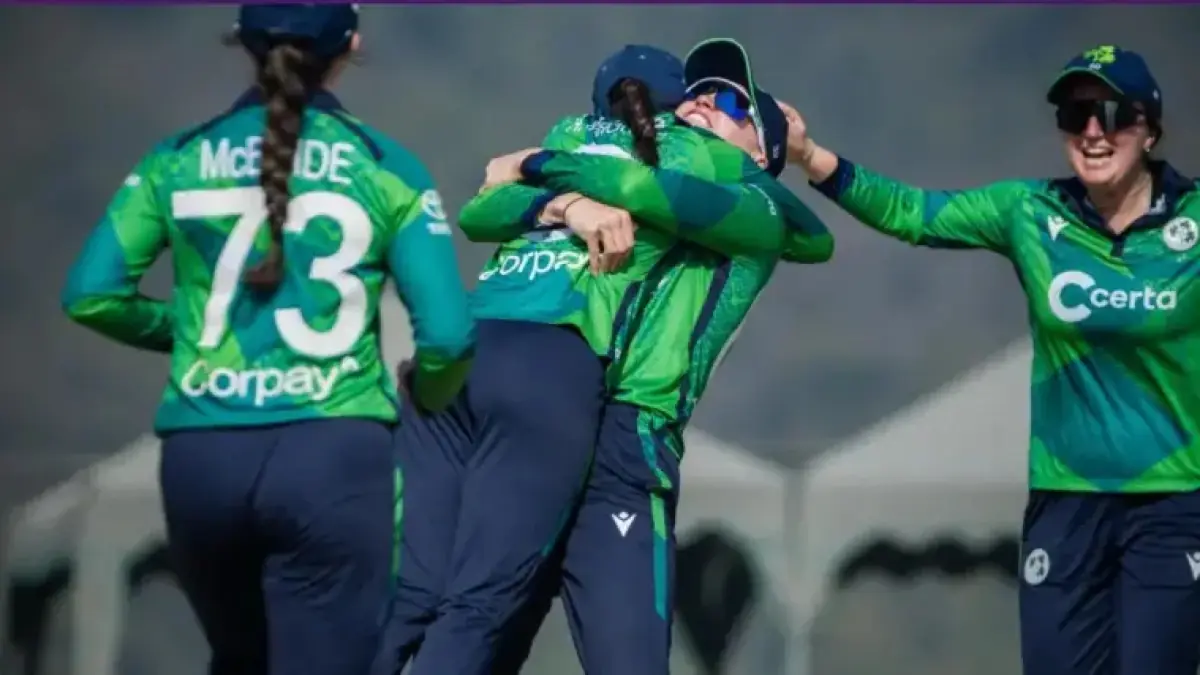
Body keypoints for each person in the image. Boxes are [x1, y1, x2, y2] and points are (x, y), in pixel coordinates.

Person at [379, 42, 830, 675]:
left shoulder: (750, 201)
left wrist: (535, 164)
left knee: (605, 654)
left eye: (732, 103)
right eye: (700, 91)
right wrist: (561, 200)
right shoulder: (645, 160)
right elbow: (488, 211)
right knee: (476, 622)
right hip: (556, 404)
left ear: (761, 152)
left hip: (627, 438)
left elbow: (807, 235)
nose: (704, 101)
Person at [60, 5, 475, 674]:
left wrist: (186, 331)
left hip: (202, 459)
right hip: (333, 457)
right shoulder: (388, 168)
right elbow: (449, 338)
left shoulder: (175, 159)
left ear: (244, 42)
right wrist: (429, 395)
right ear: (351, 44)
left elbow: (91, 294)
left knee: (237, 660)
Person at [787, 44, 1200, 675]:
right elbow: (912, 214)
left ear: (1150, 129)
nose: (1093, 131)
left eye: (1113, 114)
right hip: (1065, 500)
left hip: (1172, 502)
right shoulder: (1028, 211)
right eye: (1075, 115)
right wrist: (810, 157)